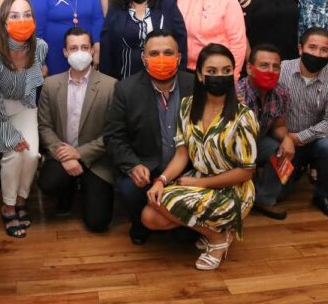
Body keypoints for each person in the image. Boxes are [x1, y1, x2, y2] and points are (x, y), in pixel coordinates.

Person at [142, 43, 258, 271]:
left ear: (233, 74)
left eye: (226, 71)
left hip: (233, 189)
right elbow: (182, 154)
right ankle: (219, 231)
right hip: (199, 179)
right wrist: (161, 180)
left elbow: (247, 171)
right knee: (149, 215)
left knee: (163, 203)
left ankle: (217, 239)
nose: (219, 76)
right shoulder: (187, 106)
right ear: (200, 75)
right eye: (212, 71)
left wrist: (199, 184)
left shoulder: (244, 115)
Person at [103, 30, 194, 245]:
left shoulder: (194, 85)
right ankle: (141, 224)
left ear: (179, 58)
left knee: (186, 239)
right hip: (146, 167)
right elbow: (114, 136)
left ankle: (169, 222)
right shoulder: (126, 89)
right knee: (129, 189)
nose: (161, 58)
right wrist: (133, 165)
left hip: (186, 169)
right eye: (154, 54)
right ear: (144, 59)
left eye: (168, 53)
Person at [0, 0, 47, 238]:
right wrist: (10, 134)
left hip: (21, 103)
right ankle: (9, 206)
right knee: (13, 151)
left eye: (27, 15)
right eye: (14, 16)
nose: (21, 20)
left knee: (32, 154)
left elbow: (33, 82)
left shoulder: (41, 47)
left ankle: (22, 199)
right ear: (4, 22)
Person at [37, 27, 117, 231]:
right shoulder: (51, 85)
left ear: (92, 50)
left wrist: (79, 153)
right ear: (65, 52)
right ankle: (68, 189)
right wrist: (65, 155)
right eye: (73, 48)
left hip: (96, 159)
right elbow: (44, 126)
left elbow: (112, 134)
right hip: (62, 154)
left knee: (98, 223)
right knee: (49, 183)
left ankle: (86, 186)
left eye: (84, 47)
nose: (79, 52)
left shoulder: (111, 86)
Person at [278, 27, 328, 220]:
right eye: (312, 47)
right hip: (283, 140)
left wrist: (298, 137)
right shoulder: (282, 70)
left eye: (324, 50)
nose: (317, 54)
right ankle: (298, 167)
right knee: (278, 195)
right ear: (300, 48)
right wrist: (285, 137)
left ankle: (322, 195)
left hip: (315, 140)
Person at [100, 0, 187, 79]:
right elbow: (107, 47)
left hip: (162, 76)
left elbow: (180, 38)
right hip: (126, 78)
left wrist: (181, 74)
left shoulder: (166, 4)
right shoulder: (116, 8)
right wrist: (107, 79)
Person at [236, 44, 294, 220]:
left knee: (281, 152)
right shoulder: (236, 94)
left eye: (275, 67)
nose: (270, 71)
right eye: (264, 65)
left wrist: (287, 139)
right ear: (249, 68)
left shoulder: (281, 92)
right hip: (234, 146)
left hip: (259, 141)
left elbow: (278, 125)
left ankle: (264, 199)